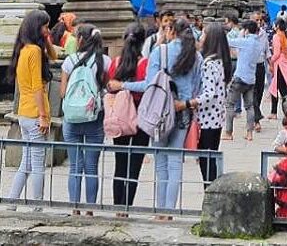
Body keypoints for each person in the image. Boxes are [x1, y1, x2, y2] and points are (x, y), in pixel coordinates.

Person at [109, 18, 202, 217]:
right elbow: (197, 88)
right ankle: (169, 211)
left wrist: (123, 85)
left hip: (160, 111)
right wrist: (186, 102)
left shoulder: (160, 52)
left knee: (161, 163)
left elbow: (149, 85)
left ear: (171, 31)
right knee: (175, 162)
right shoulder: (197, 57)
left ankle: (160, 210)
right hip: (183, 111)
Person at [8, 9, 57, 207]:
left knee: (26, 163)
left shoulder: (24, 49)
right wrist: (44, 116)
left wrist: (46, 39)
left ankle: (11, 201)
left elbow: (53, 55)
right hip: (36, 114)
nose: (48, 29)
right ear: (37, 27)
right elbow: (38, 85)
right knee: (38, 164)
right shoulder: (34, 52)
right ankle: (38, 205)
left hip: (24, 113)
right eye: (45, 26)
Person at [61, 24, 111, 214]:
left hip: (72, 119)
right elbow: (108, 88)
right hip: (94, 119)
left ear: (80, 39)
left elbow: (63, 91)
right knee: (91, 166)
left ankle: (74, 208)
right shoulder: (104, 61)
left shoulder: (69, 61)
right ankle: (90, 209)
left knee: (75, 166)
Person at [107, 22, 149, 216]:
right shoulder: (145, 64)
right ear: (143, 42)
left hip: (119, 116)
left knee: (120, 162)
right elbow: (149, 88)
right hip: (140, 116)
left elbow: (108, 86)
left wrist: (120, 86)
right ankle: (126, 206)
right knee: (134, 166)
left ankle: (117, 207)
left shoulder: (115, 63)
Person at [189, 22, 232, 184]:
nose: (201, 37)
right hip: (217, 117)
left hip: (207, 118)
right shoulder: (220, 61)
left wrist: (190, 102)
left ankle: (211, 195)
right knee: (210, 159)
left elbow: (209, 93)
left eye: (204, 34)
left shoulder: (208, 63)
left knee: (206, 161)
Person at [222, 20, 262, 142]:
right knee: (249, 107)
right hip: (251, 79)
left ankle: (228, 132)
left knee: (229, 104)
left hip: (240, 77)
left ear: (246, 30)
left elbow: (228, 42)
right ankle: (249, 133)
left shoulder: (245, 42)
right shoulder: (258, 44)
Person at [253, 13, 270, 132]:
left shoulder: (264, 34)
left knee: (259, 92)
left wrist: (271, 64)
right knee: (252, 92)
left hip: (260, 66)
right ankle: (256, 119)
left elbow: (267, 50)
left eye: (260, 20)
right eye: (256, 20)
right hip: (250, 66)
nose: (258, 22)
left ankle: (256, 113)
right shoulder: (245, 34)